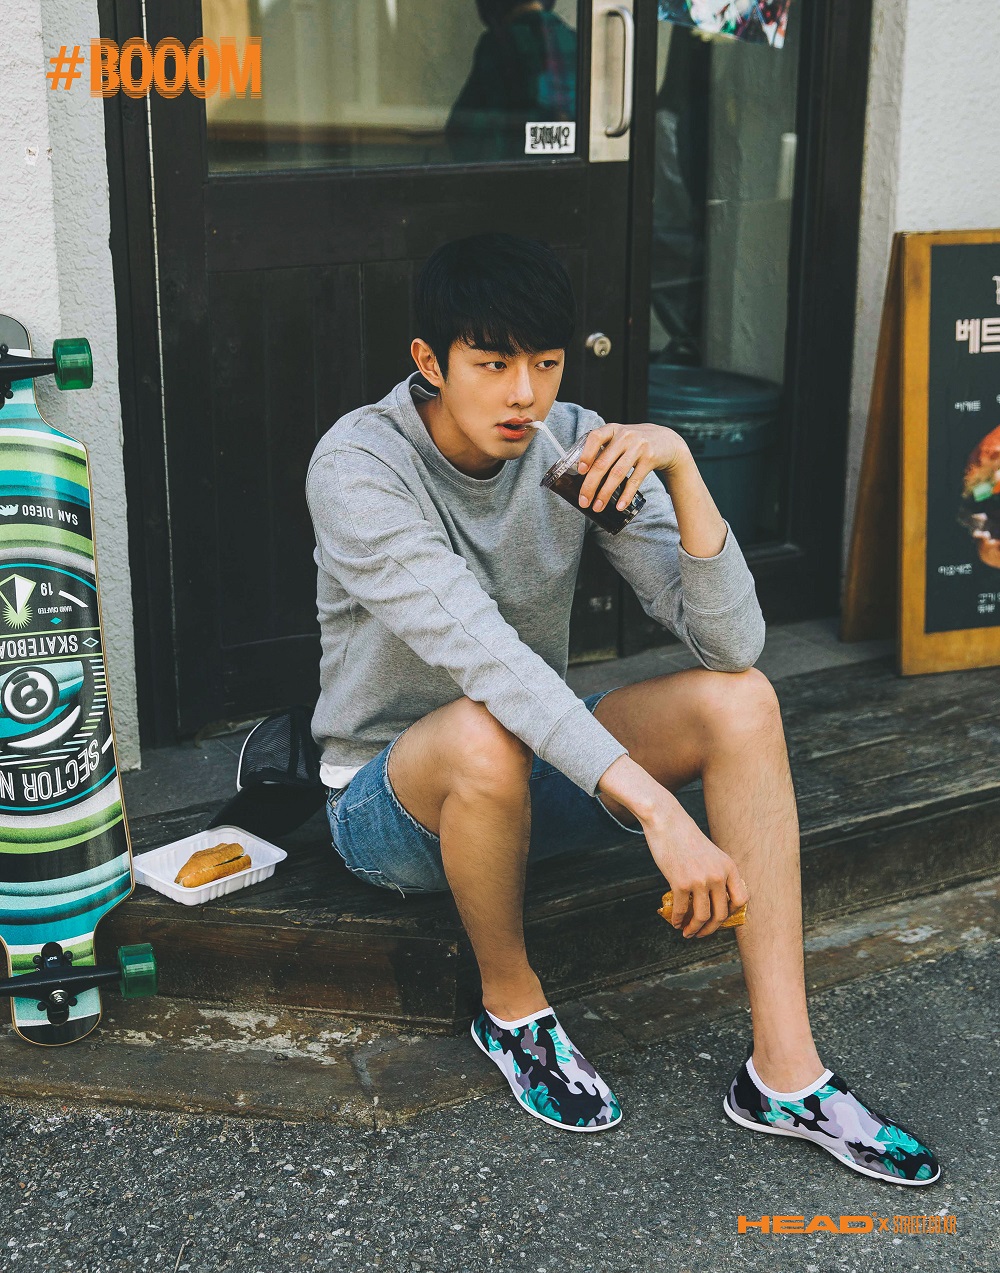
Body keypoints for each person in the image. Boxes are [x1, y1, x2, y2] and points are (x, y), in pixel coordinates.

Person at [306, 233, 939, 1184]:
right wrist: (660, 813)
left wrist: (682, 469)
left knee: (743, 703)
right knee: (482, 726)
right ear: (430, 362)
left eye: (545, 363)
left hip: (532, 762)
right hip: (389, 804)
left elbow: (732, 644)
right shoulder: (359, 467)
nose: (524, 394)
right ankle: (512, 1010)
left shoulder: (570, 445)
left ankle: (786, 1072)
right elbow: (488, 658)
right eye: (492, 365)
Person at [446, 0, 576, 163]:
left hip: (516, 165)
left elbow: (460, 128)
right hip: (567, 165)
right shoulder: (573, 40)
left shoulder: (497, 44)